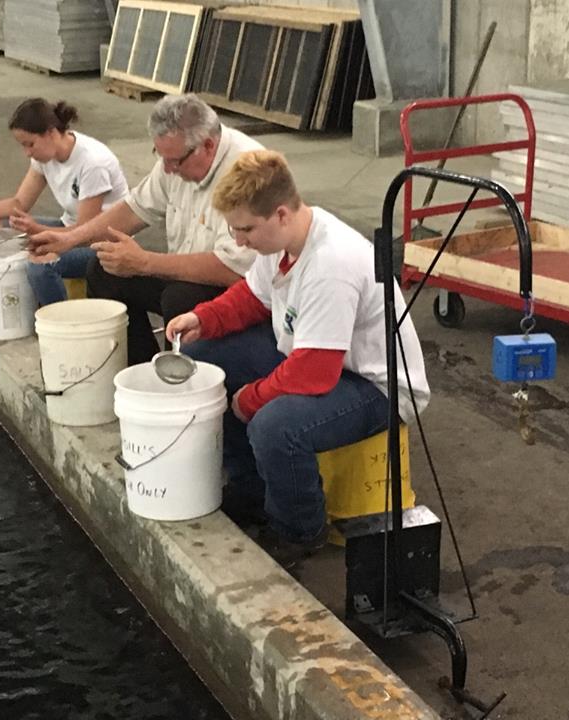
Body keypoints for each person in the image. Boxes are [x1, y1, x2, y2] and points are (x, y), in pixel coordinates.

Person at [165, 150, 431, 567]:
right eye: (234, 230)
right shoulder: (282, 240)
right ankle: (252, 489)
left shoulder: (331, 264)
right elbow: (254, 296)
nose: (239, 241)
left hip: (374, 386)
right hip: (321, 360)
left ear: (282, 214)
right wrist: (204, 318)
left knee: (275, 426)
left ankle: (299, 530)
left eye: (246, 230)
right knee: (205, 359)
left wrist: (249, 399)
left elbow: (312, 374)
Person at [26, 94, 263, 365]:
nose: (167, 169)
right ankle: (140, 371)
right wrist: (69, 239)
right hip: (187, 270)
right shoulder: (177, 157)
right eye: (159, 156)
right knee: (103, 270)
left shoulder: (245, 171)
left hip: (239, 289)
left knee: (181, 297)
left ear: (208, 146)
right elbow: (134, 208)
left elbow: (233, 268)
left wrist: (146, 262)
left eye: (174, 161)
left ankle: (179, 382)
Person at [0, 98, 129, 307]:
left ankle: (59, 325)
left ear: (51, 132)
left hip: (102, 241)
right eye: (23, 145)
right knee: (1, 229)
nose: (27, 152)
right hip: (71, 228)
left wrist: (37, 230)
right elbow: (19, 203)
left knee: (42, 265)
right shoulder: (44, 156)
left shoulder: (92, 163)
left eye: (30, 144)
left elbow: (85, 232)